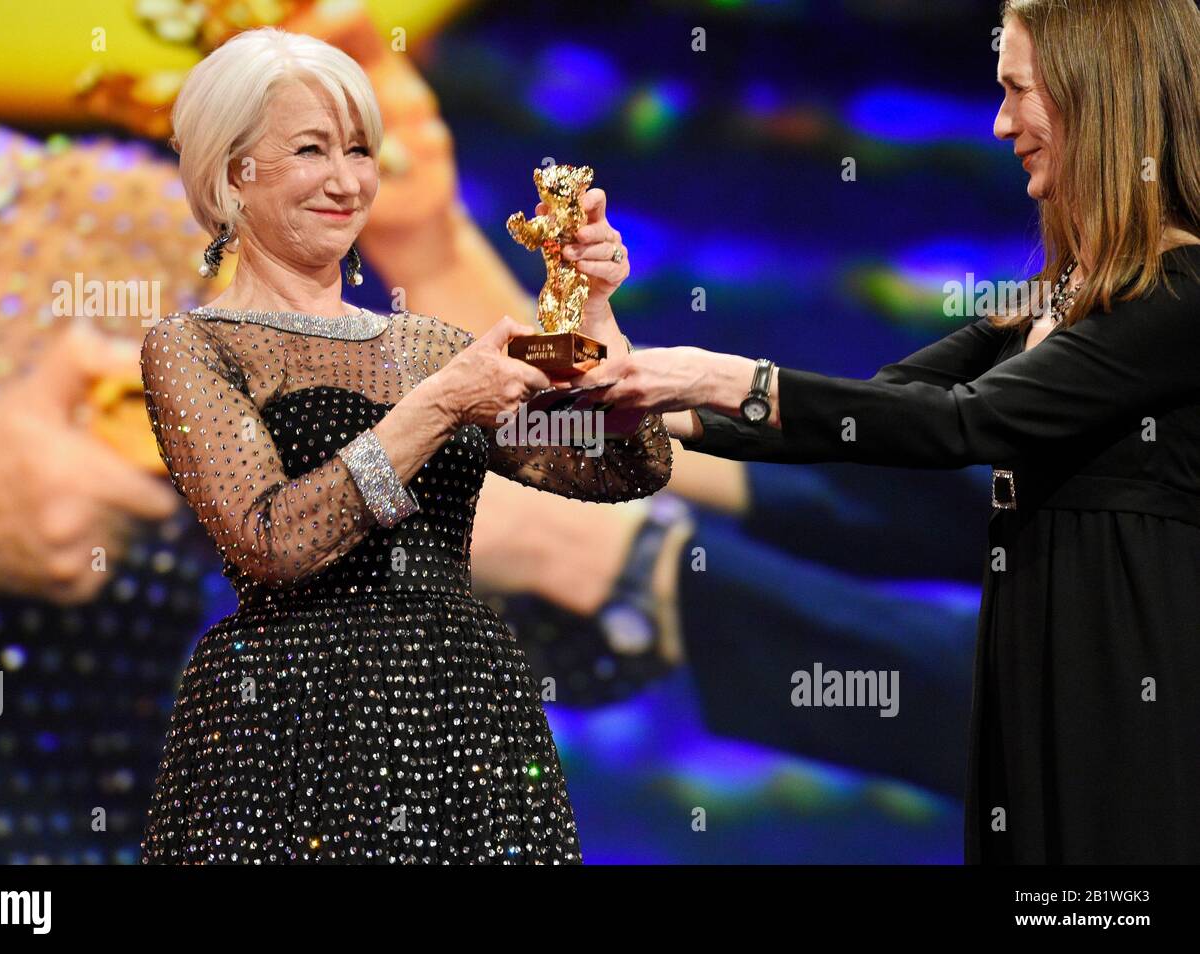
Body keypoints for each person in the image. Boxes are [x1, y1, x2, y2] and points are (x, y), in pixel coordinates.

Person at [567, 0, 1200, 864]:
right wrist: (632, 380)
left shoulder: (1180, 295)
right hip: (1033, 697)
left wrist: (711, 373)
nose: (1001, 121)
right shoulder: (1062, 300)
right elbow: (874, 410)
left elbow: (961, 424)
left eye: (1020, 93)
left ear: (1101, 96)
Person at [137, 26, 670, 864]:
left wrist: (595, 319)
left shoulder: (429, 345)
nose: (348, 181)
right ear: (233, 172)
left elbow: (615, 468)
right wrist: (439, 406)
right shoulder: (193, 347)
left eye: (361, 150)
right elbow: (273, 541)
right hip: (287, 721)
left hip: (464, 711)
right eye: (313, 149)